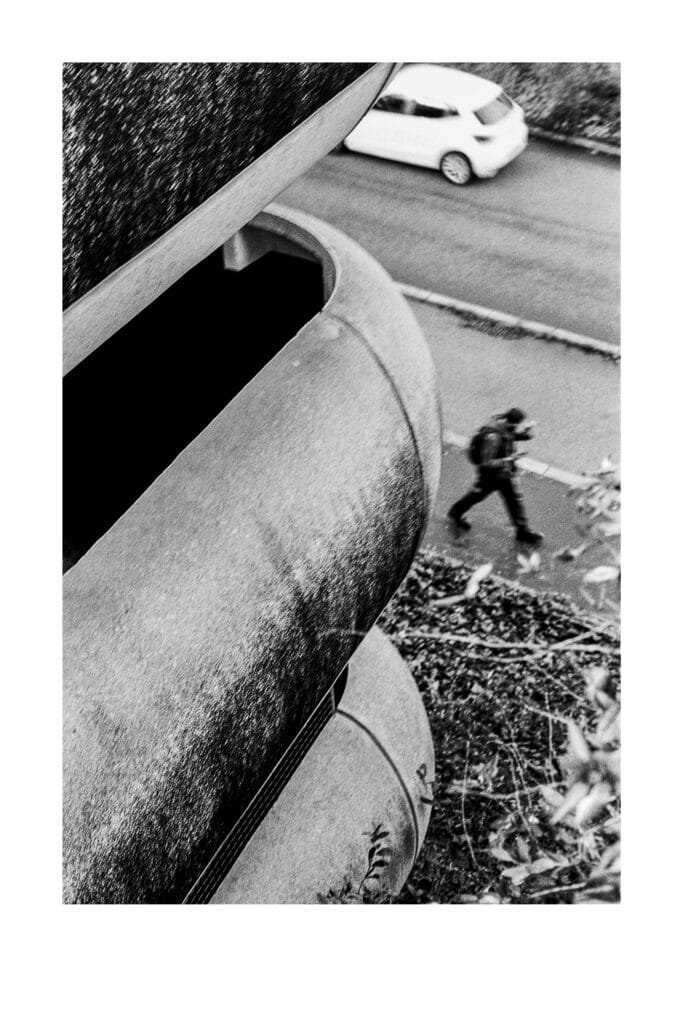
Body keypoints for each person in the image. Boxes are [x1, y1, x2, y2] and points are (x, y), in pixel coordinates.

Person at [448, 408, 544, 545]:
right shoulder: (492, 437)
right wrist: (510, 459)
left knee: (514, 502)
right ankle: (454, 514)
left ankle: (522, 532)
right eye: (518, 425)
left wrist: (529, 429)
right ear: (511, 423)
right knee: (475, 496)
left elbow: (525, 436)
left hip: (505, 475)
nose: (518, 428)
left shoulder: (506, 428)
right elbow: (486, 462)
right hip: (490, 477)